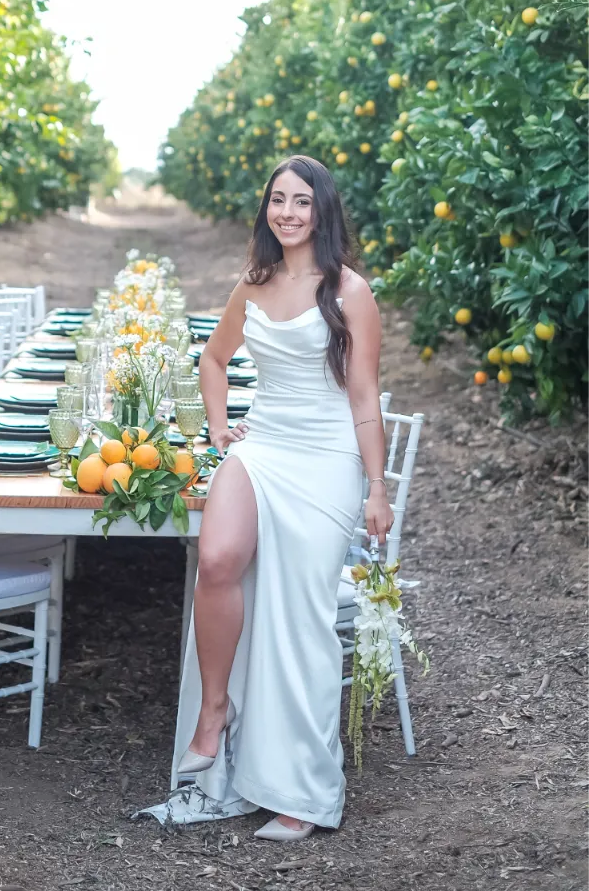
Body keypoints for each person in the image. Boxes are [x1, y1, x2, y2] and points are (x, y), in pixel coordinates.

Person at [171, 155, 393, 841]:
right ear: (265, 208)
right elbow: (212, 358)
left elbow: (362, 399)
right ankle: (215, 710)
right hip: (261, 445)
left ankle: (302, 790)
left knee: (300, 621)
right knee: (216, 559)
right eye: (277, 200)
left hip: (325, 459)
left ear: (321, 211)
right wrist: (217, 425)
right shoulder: (254, 280)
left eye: (301, 202)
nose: (287, 212)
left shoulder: (349, 291)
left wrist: (375, 487)